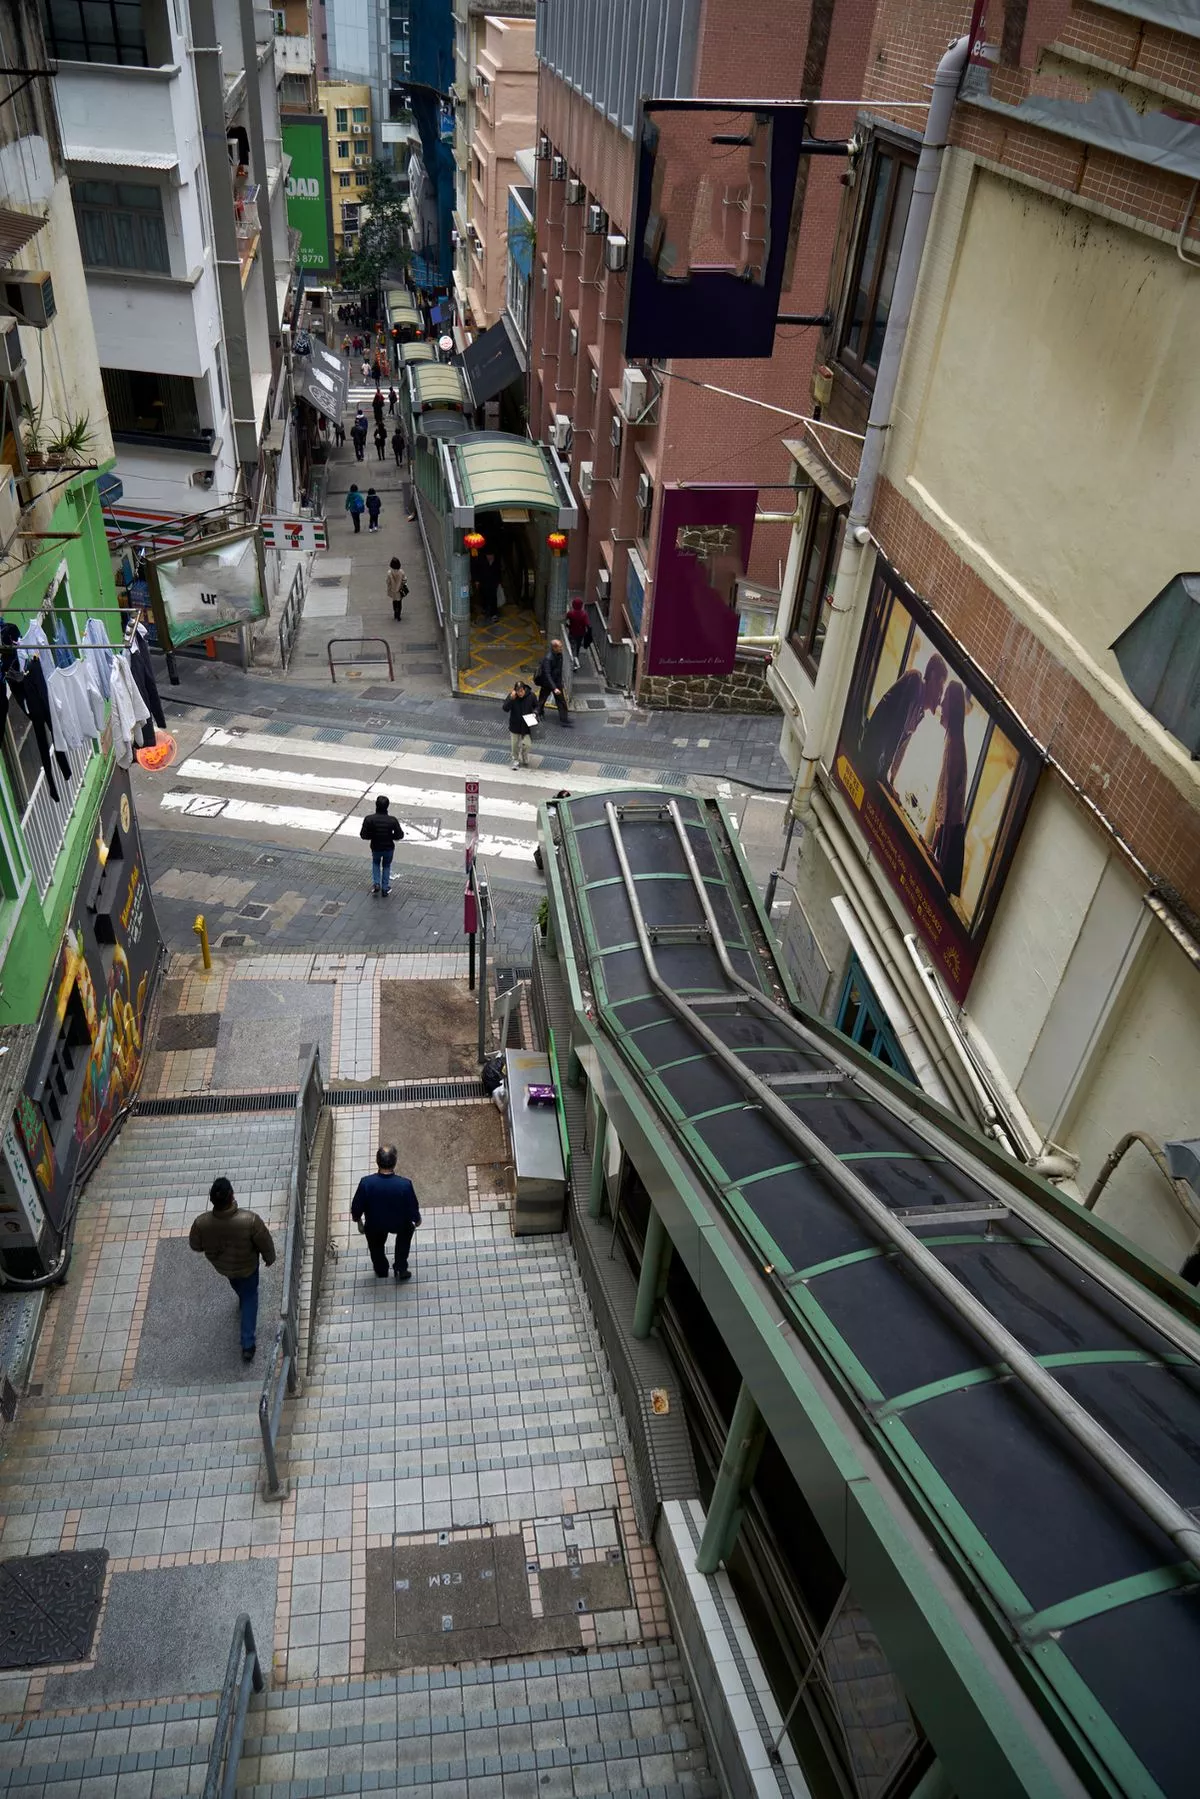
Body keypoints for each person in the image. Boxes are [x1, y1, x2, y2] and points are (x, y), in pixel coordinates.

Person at [188, 1177, 277, 1362]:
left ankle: (241, 1297)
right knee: (250, 1298)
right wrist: (270, 1258)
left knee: (237, 1285)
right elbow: (265, 1242)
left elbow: (195, 1245)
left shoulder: (201, 1223)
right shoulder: (250, 1220)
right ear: (232, 1195)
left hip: (224, 1268)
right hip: (248, 1267)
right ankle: (247, 1344)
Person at [859, 654, 947, 789]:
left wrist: (891, 780)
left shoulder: (920, 713)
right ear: (933, 676)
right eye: (941, 686)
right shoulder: (915, 680)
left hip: (878, 763)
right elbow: (897, 727)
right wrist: (884, 773)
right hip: (871, 753)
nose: (940, 697)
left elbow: (902, 746)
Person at [351, 1145, 421, 1281]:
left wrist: (358, 1221)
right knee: (404, 1240)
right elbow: (412, 1205)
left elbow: (357, 1206)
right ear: (395, 1162)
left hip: (375, 1224)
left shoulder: (366, 1183)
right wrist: (416, 1219)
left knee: (376, 1248)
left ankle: (381, 1270)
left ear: (377, 1161)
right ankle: (400, 1268)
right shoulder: (404, 1184)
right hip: (400, 1223)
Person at [925, 680, 968, 897]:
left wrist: (937, 849)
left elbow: (949, 803)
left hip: (950, 837)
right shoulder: (953, 740)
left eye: (945, 700)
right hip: (949, 834)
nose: (941, 703)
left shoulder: (955, 745)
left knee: (939, 895)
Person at [360, 792, 404, 894]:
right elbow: (399, 835)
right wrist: (390, 836)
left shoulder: (369, 819)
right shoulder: (392, 820)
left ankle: (376, 883)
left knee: (376, 863)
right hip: (388, 847)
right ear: (387, 806)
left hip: (375, 847)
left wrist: (373, 836)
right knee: (386, 865)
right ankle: (385, 888)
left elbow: (363, 835)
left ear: (376, 805)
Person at [535, 639, 570, 726]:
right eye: (560, 647)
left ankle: (564, 719)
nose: (562, 648)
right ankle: (538, 713)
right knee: (542, 700)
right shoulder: (548, 658)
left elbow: (559, 670)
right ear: (554, 648)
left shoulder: (559, 655)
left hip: (556, 682)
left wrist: (559, 683)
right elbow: (547, 674)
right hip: (548, 683)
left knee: (561, 701)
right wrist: (554, 688)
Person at [503, 679, 536, 769]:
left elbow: (537, 706)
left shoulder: (531, 696)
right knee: (514, 745)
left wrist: (535, 713)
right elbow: (505, 708)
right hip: (515, 725)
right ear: (515, 691)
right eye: (518, 691)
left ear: (524, 689)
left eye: (521, 691)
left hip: (527, 725)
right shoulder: (512, 697)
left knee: (527, 744)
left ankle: (524, 756)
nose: (520, 693)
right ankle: (515, 759)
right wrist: (511, 699)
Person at [565, 598, 592, 669]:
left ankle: (572, 661)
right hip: (580, 634)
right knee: (577, 647)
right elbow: (588, 624)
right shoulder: (584, 614)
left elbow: (565, 619)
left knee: (571, 646)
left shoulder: (570, 613)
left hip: (572, 633)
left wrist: (568, 626)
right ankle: (575, 660)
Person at [475, 550, 502, 622]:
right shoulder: (482, 561)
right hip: (484, 583)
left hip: (493, 583)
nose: (489, 557)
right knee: (484, 596)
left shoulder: (496, 562)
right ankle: (485, 608)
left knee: (493, 597)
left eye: (491, 555)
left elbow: (499, 572)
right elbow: (478, 571)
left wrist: (498, 582)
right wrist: (477, 581)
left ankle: (494, 614)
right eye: (488, 555)